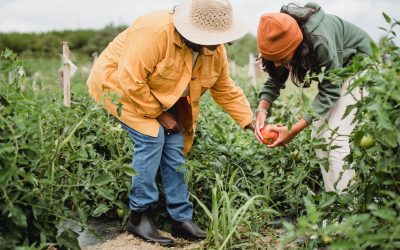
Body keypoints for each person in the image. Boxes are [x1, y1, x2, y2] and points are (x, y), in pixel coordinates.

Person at [87, 0, 254, 246]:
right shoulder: (154, 33)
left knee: (174, 144)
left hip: (161, 93)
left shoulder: (214, 49)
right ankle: (139, 215)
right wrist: (160, 114)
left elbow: (225, 89)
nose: (216, 45)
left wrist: (251, 123)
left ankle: (180, 218)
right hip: (118, 87)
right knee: (152, 137)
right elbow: (130, 80)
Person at [254, 2, 373, 193]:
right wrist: (261, 110)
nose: (277, 63)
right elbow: (274, 80)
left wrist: (292, 130)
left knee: (335, 136)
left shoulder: (319, 40)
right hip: (340, 73)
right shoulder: (277, 36)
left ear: (297, 47)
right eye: (272, 58)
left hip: (363, 67)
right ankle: (333, 201)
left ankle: (349, 210)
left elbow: (330, 90)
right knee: (318, 134)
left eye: (282, 58)